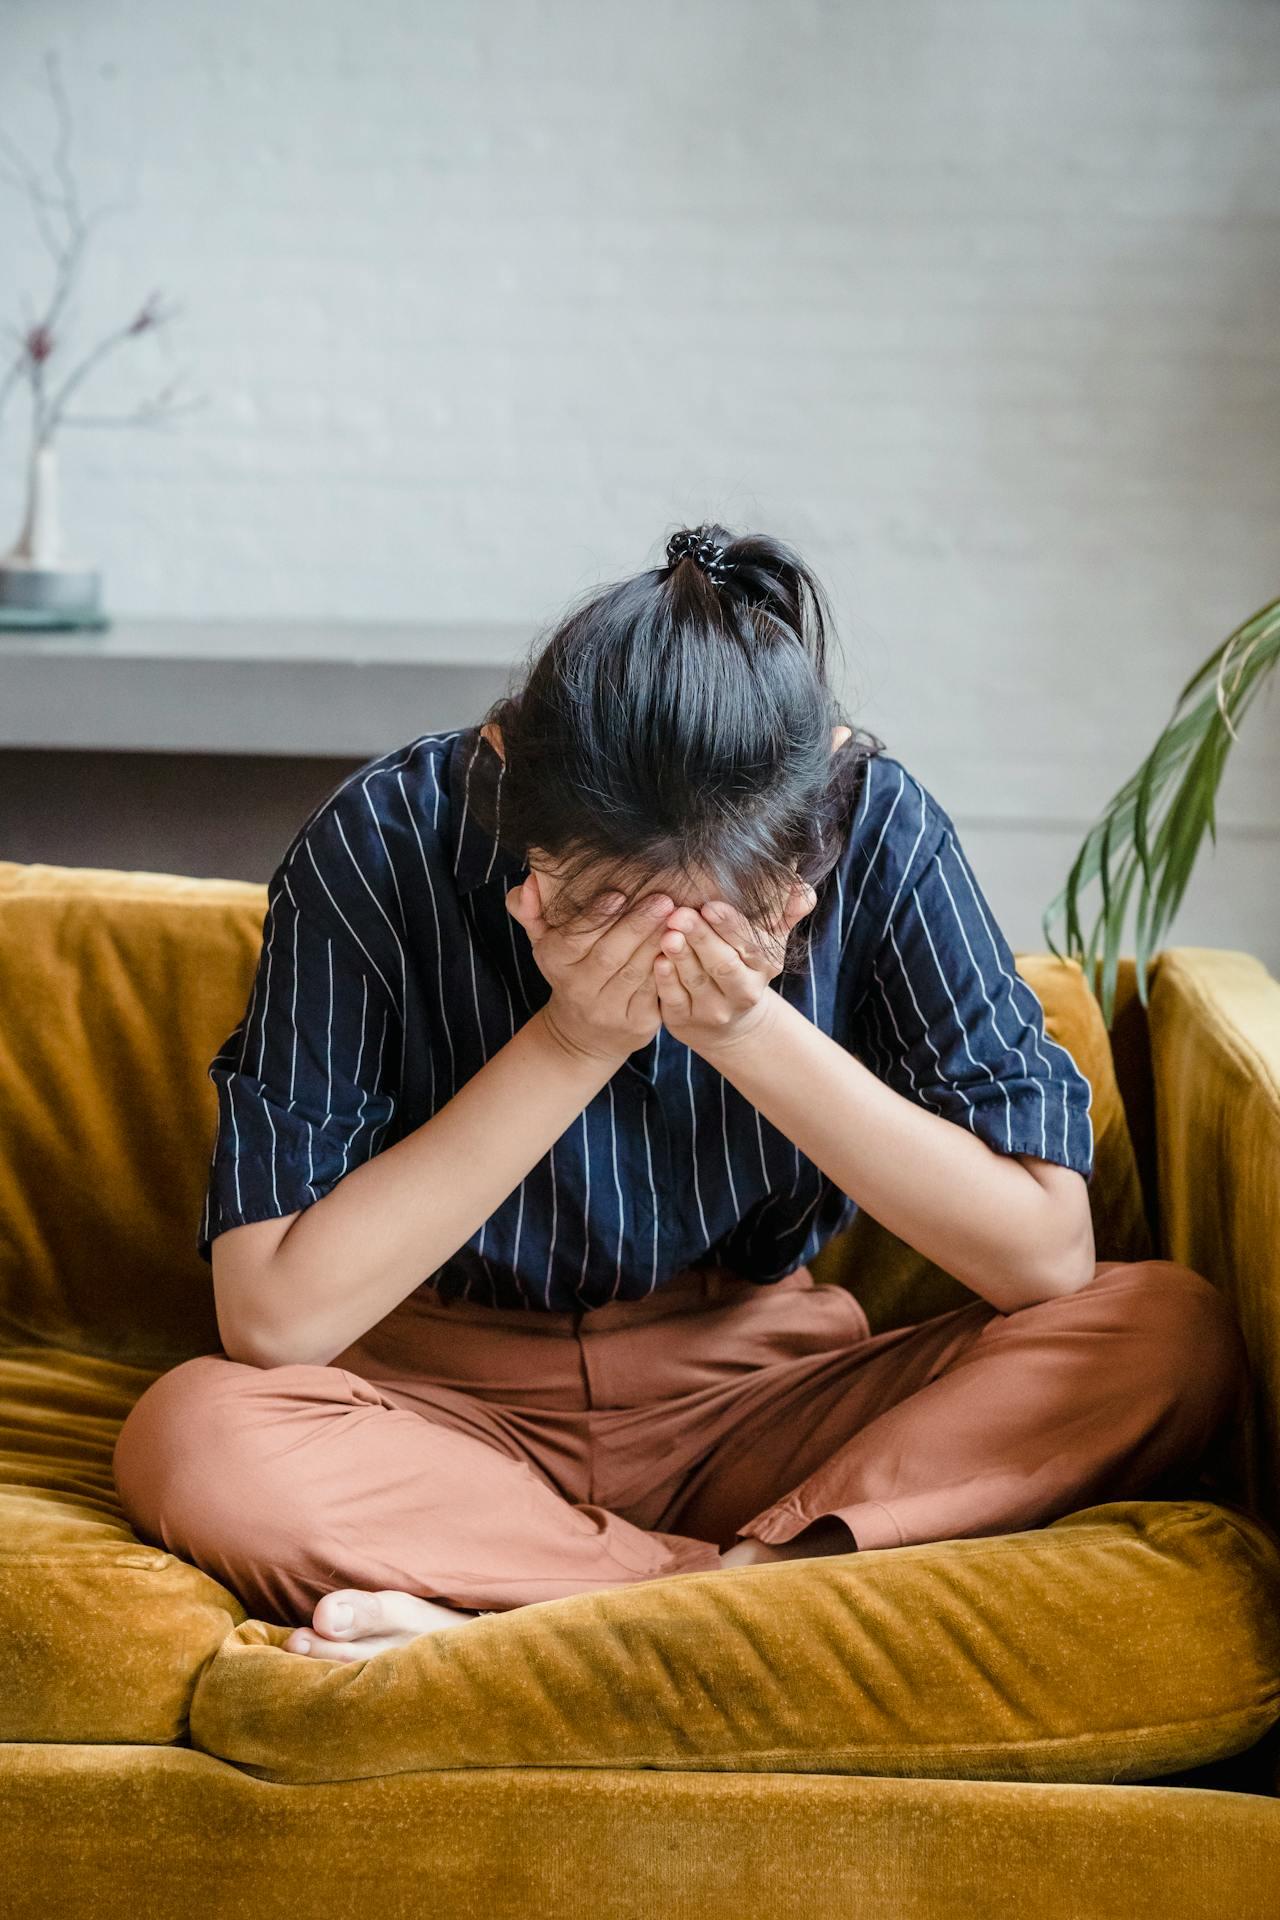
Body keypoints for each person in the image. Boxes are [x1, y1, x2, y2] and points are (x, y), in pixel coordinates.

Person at [112, 522, 1247, 1664]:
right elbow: (272, 1321)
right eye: (608, 902)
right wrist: (569, 1040)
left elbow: (1045, 1256)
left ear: (802, 866)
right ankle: (739, 1597)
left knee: (1167, 1331)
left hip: (759, 1390)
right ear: (509, 783)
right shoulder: (383, 837)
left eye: (718, 916)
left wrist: (747, 1029)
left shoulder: (873, 824)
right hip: (434, 1405)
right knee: (196, 1441)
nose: (664, 950)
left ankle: (537, 1610)